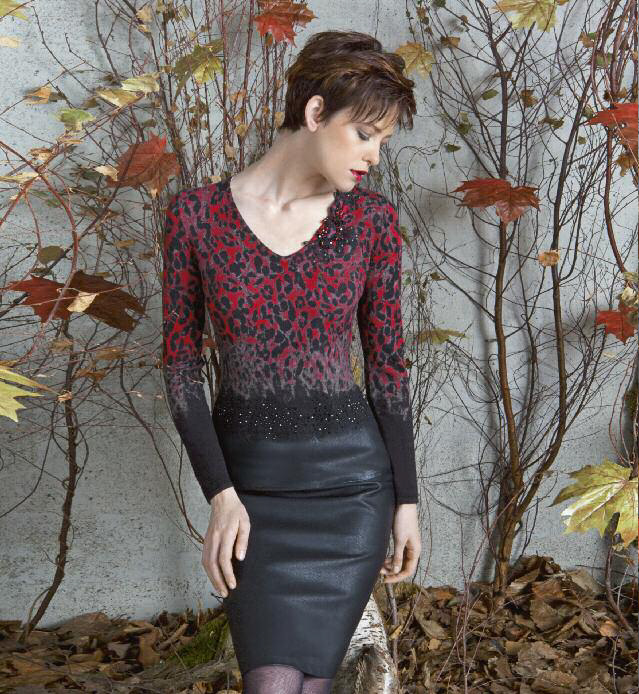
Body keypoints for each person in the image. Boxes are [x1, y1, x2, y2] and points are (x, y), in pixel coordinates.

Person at [162, 29, 421, 694]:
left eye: (383, 141)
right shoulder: (195, 216)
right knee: (272, 683)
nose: (374, 155)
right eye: (365, 134)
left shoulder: (370, 222)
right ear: (314, 113)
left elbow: (388, 369)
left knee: (308, 683)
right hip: (250, 496)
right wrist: (220, 493)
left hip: (352, 493)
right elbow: (181, 371)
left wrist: (406, 501)